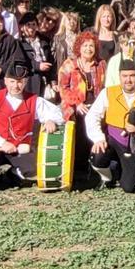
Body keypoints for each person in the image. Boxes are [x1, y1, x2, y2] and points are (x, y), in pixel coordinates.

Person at [0, 64, 65, 182]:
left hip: (22, 149)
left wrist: (50, 120)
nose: (16, 86)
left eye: (20, 82)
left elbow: (57, 113)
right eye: (12, 82)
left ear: (25, 82)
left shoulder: (34, 100)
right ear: (6, 81)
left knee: (33, 173)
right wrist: (2, 143)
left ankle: (13, 173)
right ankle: (0, 174)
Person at [84, 60, 135, 193]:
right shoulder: (108, 92)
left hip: (134, 144)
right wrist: (98, 138)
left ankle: (125, 170)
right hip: (112, 139)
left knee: (129, 187)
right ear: (119, 77)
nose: (128, 80)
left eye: (132, 76)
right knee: (98, 156)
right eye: (124, 76)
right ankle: (107, 178)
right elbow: (92, 116)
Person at [58, 31, 105, 176]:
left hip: (95, 106)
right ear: (79, 47)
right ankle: (76, 169)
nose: (88, 49)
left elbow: (104, 87)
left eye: (91, 46)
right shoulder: (69, 64)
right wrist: (77, 103)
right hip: (75, 107)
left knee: (93, 135)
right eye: (85, 45)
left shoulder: (101, 64)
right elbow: (62, 88)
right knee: (78, 136)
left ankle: (92, 167)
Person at [19, 15, 55, 99]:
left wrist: (53, 80)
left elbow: (51, 61)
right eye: (28, 25)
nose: (31, 28)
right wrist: (37, 66)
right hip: (29, 82)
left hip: (45, 81)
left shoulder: (45, 41)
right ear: (22, 27)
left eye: (33, 24)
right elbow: (20, 63)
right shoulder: (19, 44)